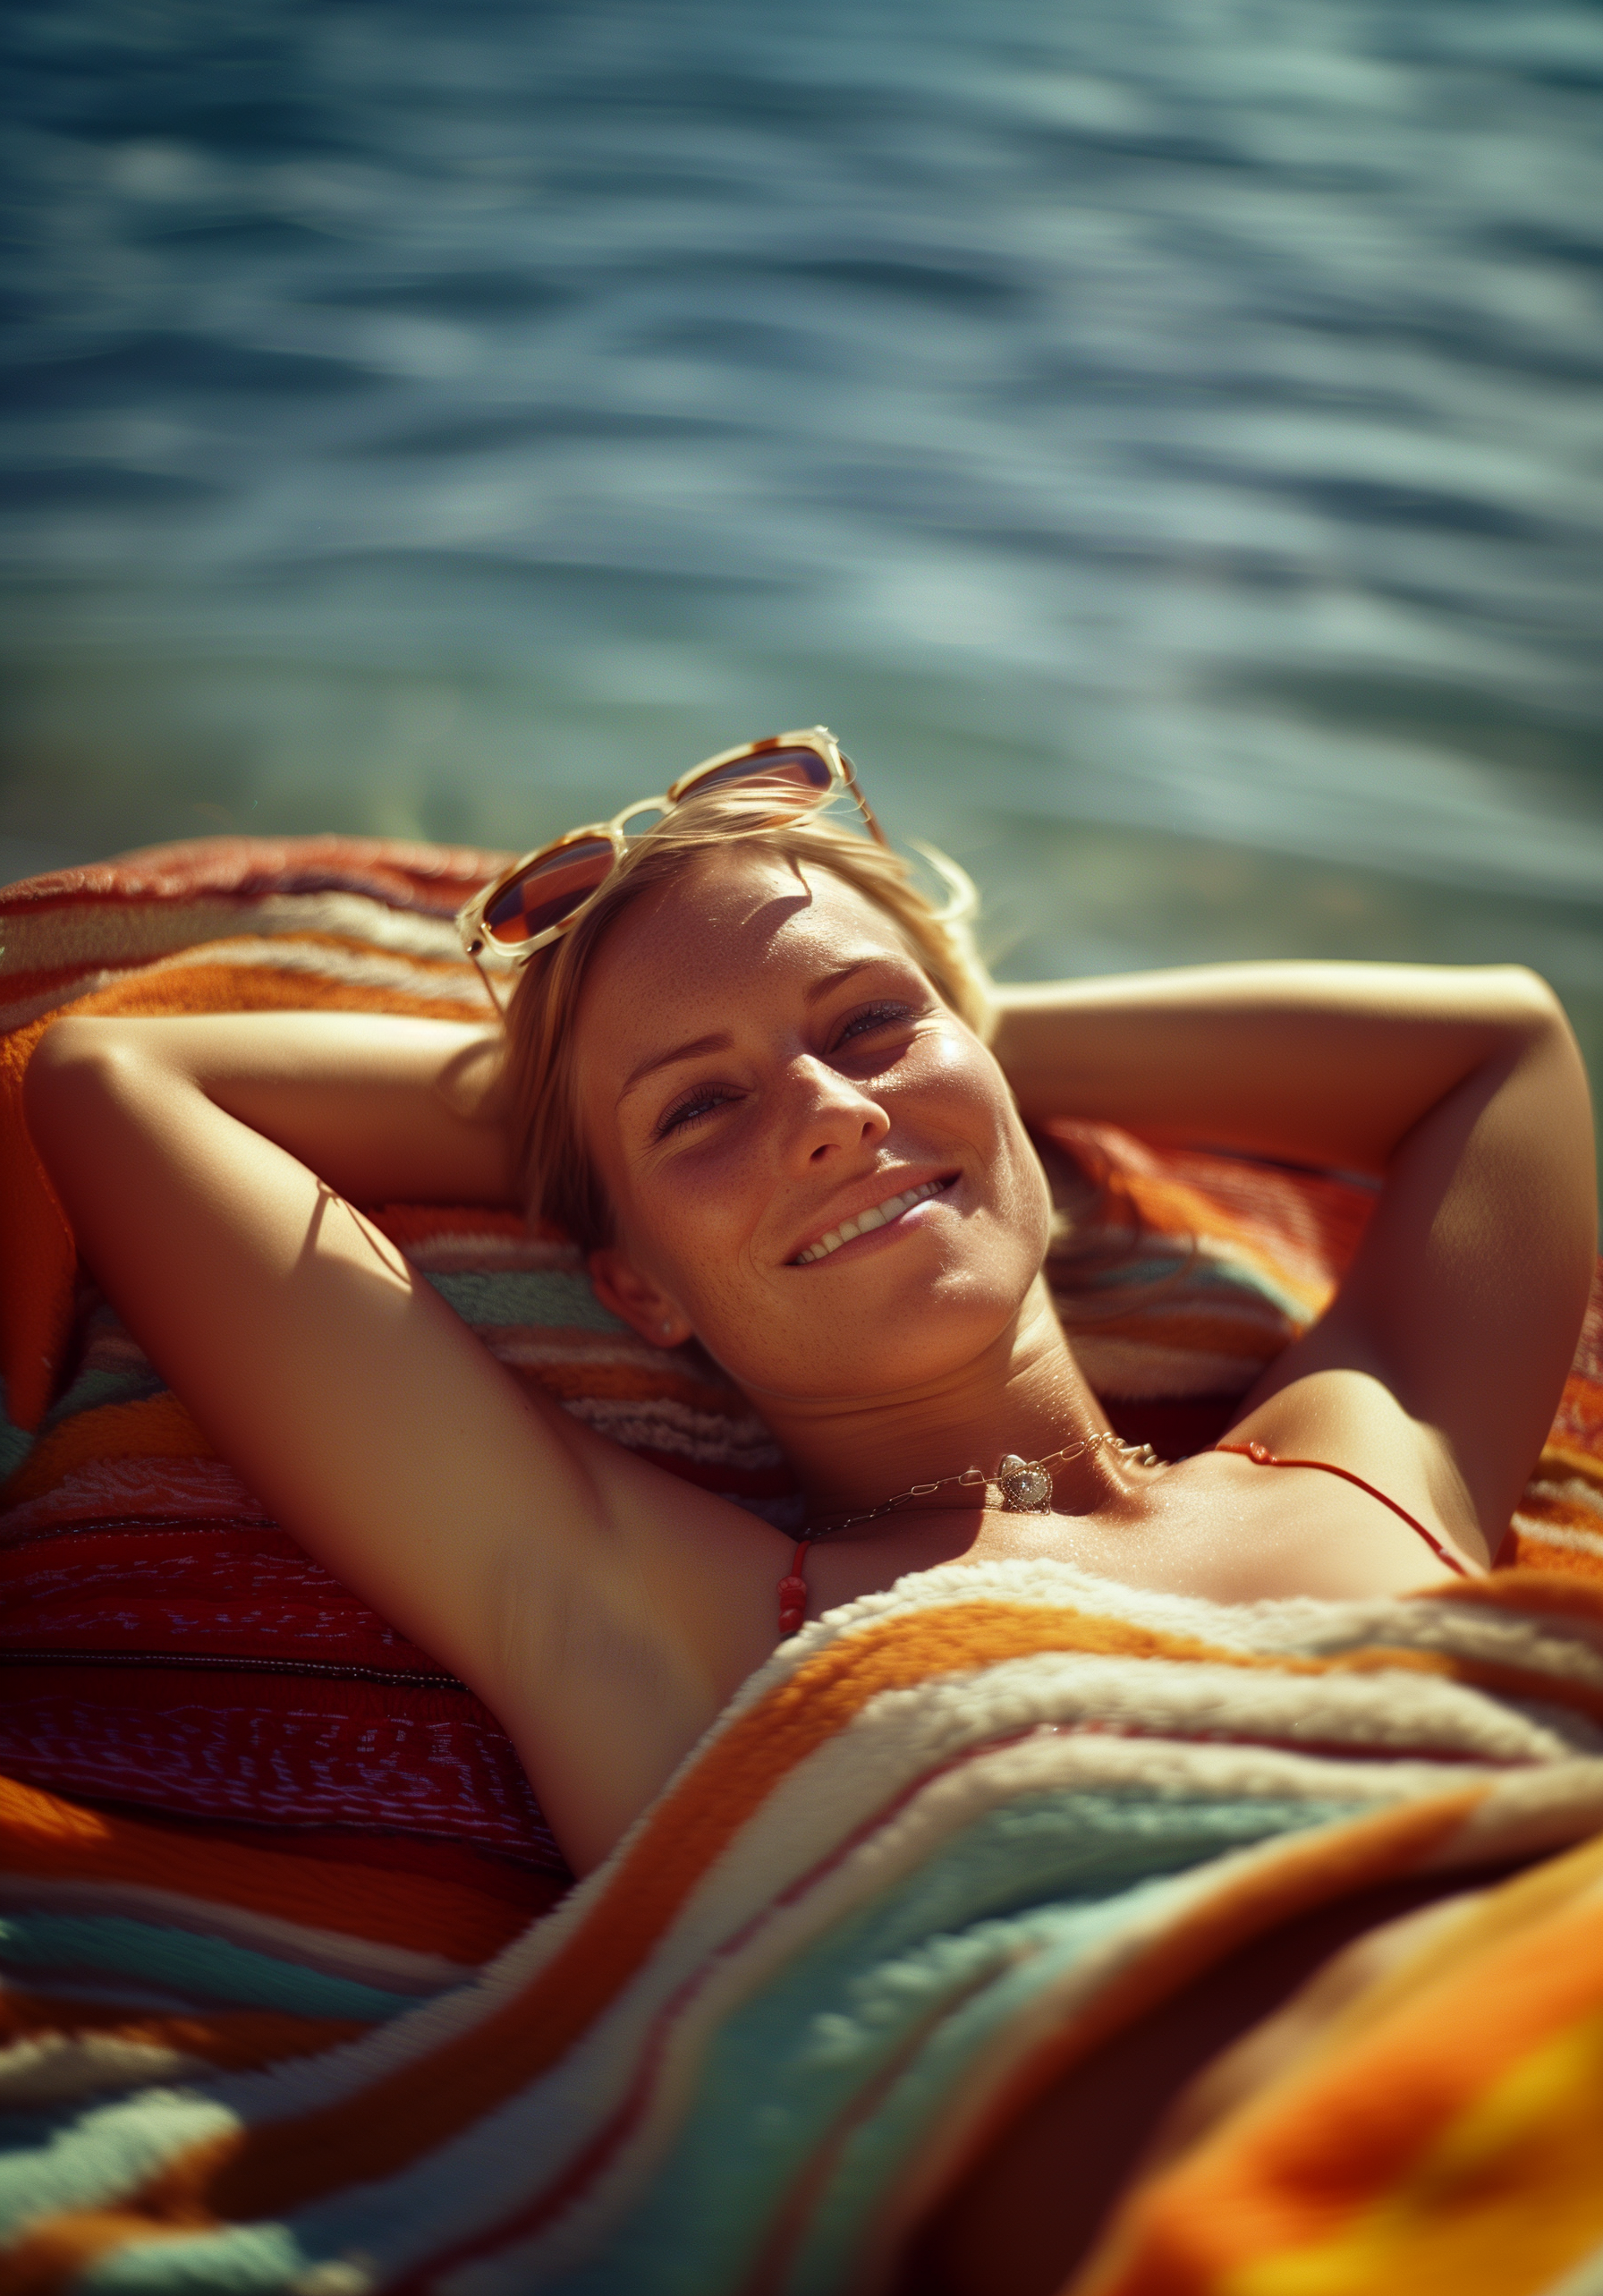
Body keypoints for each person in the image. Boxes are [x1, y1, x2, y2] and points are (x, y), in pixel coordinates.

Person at [22, 730, 1597, 2292]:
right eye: (698, 1111)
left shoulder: (1360, 1455)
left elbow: (1500, 1048)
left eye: (868, 1023)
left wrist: (951, 1048)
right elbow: (121, 1083)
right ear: (635, 1289)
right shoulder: (666, 1623)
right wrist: (582, 1141)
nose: (831, 1113)